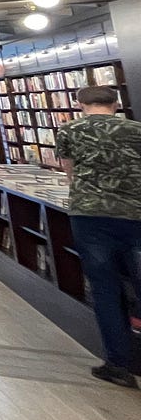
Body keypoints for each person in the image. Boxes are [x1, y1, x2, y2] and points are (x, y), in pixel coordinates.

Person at [55, 86, 141, 389]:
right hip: (135, 214)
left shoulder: (69, 130)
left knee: (105, 289)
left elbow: (70, 172)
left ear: (80, 104)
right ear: (116, 104)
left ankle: (119, 364)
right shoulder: (136, 130)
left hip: (90, 216)